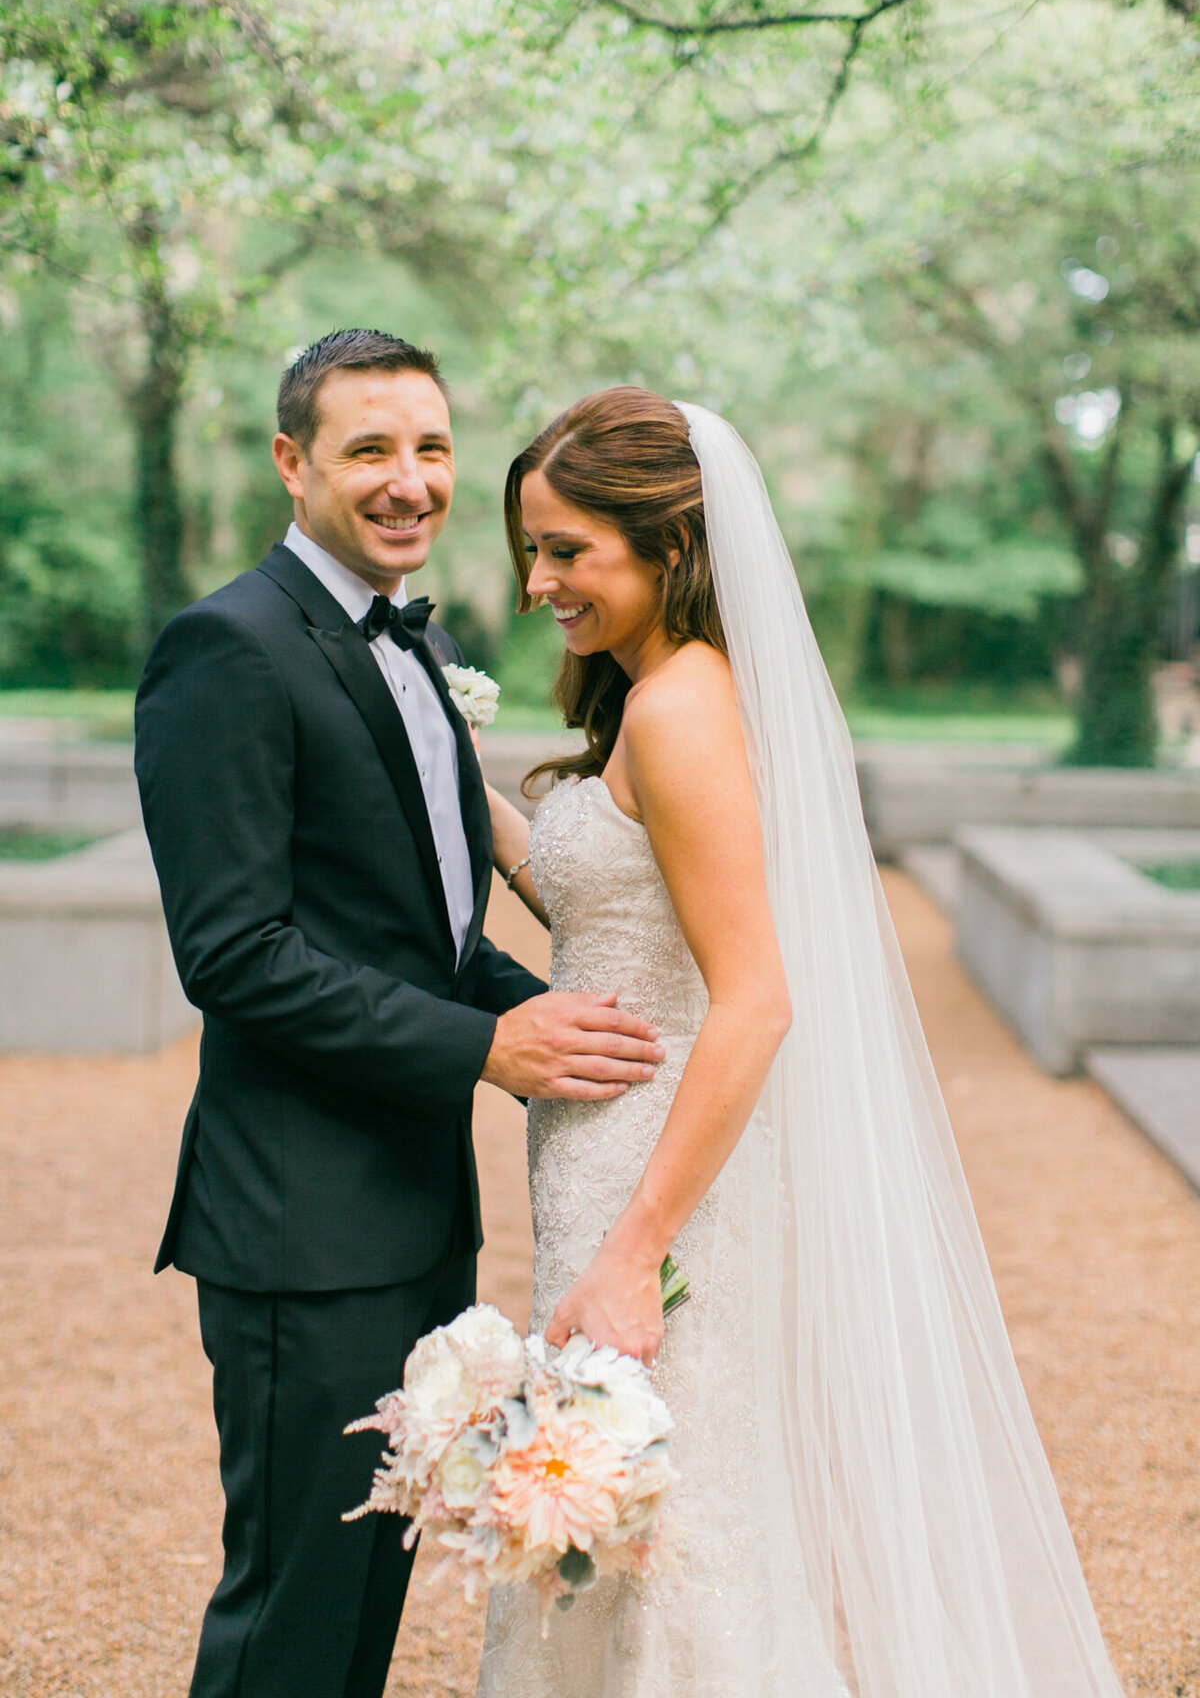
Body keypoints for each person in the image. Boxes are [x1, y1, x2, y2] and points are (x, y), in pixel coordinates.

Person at [477, 387, 1126, 1698]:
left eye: (567, 550)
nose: (538, 580)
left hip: (658, 1190)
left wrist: (632, 1250)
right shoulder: (660, 693)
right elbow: (624, 915)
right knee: (618, 1524)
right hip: (609, 1156)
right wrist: (459, 790)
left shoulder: (677, 709)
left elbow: (755, 996)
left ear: (669, 548)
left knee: (665, 1537)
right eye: (531, 550)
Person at [134, 331, 666, 1698]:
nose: (409, 482)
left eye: (430, 448)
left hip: (415, 1208)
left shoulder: (413, 642)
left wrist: (553, 1019)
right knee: (293, 1612)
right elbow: (237, 953)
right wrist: (487, 1047)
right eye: (370, 449)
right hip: (297, 1226)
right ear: (291, 461)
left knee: (366, 1595)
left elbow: (423, 928)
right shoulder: (227, 649)